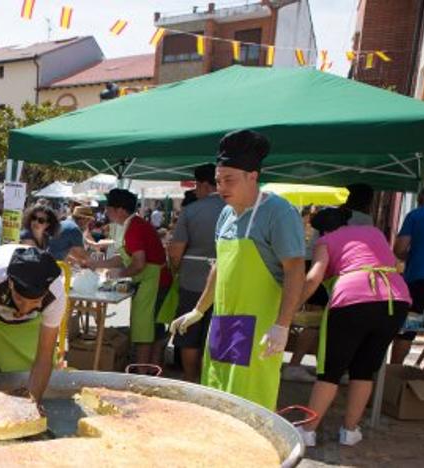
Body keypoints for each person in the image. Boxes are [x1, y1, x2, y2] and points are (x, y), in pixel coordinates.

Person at [171, 130, 305, 410]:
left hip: (260, 329)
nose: (221, 187)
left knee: (250, 404)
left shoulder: (279, 212)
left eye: (229, 180)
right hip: (224, 322)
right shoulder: (225, 214)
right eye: (218, 181)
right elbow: (220, 265)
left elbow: (295, 270)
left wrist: (282, 325)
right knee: (217, 396)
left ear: (252, 176)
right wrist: (199, 309)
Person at [296, 207, 410, 447]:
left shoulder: (325, 241)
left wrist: (292, 306)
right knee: (364, 369)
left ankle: (307, 431)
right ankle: (349, 431)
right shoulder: (373, 231)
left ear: (322, 230)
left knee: (330, 370)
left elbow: (314, 277)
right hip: (396, 298)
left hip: (353, 298)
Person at [0, 245, 64, 402]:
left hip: (31, 324)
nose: (23, 310)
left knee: (29, 366)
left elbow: (45, 354)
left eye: (35, 302)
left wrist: (32, 402)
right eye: (19, 299)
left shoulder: (56, 295)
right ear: (10, 283)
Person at [96, 189, 172, 369]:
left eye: (109, 208)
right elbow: (124, 258)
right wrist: (95, 263)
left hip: (155, 282)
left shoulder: (134, 228)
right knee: (151, 330)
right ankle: (151, 370)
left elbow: (138, 263)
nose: (106, 211)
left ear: (121, 210)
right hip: (150, 281)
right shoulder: (129, 225)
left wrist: (119, 274)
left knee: (145, 331)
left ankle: (142, 373)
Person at [167, 164, 226, 382]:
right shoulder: (234, 208)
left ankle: (191, 379)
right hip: (225, 281)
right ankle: (210, 382)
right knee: (215, 335)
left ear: (202, 184)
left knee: (188, 333)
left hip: (193, 278)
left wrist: (175, 268)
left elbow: (176, 251)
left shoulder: (191, 211)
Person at [393, 187, 424, 364]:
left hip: (418, 279)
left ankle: (393, 375)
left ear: (421, 198)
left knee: (408, 328)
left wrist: (413, 255)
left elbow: (399, 249)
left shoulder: (415, 215)